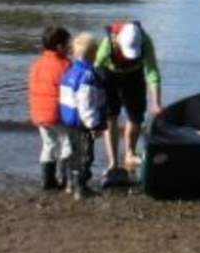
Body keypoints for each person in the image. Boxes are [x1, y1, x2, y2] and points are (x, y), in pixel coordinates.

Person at [94, 20, 162, 184]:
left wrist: (156, 102)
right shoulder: (107, 44)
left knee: (136, 116)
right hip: (109, 74)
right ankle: (113, 163)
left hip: (134, 75)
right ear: (118, 41)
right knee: (111, 116)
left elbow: (152, 72)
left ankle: (130, 153)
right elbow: (95, 70)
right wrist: (93, 104)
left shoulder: (145, 42)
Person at [60, 32, 106, 199]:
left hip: (69, 120)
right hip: (82, 122)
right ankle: (81, 187)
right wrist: (93, 124)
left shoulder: (70, 72)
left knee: (74, 152)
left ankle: (71, 184)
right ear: (93, 54)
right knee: (85, 155)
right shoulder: (87, 76)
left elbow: (65, 97)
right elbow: (86, 104)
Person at [28, 26, 71, 192]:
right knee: (67, 143)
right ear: (60, 46)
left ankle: (48, 180)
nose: (70, 47)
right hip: (58, 113)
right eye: (68, 44)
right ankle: (66, 180)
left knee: (49, 144)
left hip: (39, 113)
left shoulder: (36, 65)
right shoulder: (65, 65)